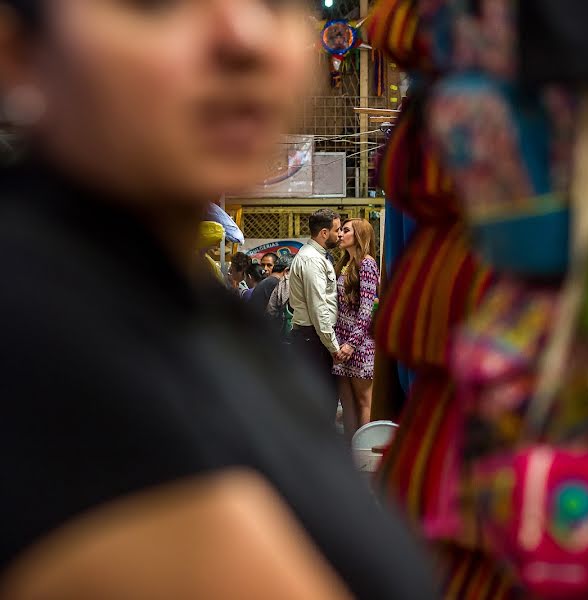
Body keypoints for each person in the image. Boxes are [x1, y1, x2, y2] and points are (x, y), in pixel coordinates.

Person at [0, 2, 436, 599]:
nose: (246, 37)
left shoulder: (198, 315)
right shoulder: (39, 336)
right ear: (18, 49)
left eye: (276, 4)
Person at [289, 209, 342, 416]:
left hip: (313, 338)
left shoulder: (318, 256)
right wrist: (333, 346)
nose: (339, 235)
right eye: (337, 230)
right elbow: (318, 307)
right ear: (323, 233)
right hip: (313, 340)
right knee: (320, 403)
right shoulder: (312, 260)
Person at [333, 219, 380, 437]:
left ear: (359, 235)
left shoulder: (367, 264)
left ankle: (362, 455)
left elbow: (366, 309)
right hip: (340, 343)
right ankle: (351, 456)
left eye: (345, 230)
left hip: (359, 345)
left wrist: (352, 343)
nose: (340, 234)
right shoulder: (345, 264)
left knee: (363, 402)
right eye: (340, 230)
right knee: (347, 403)